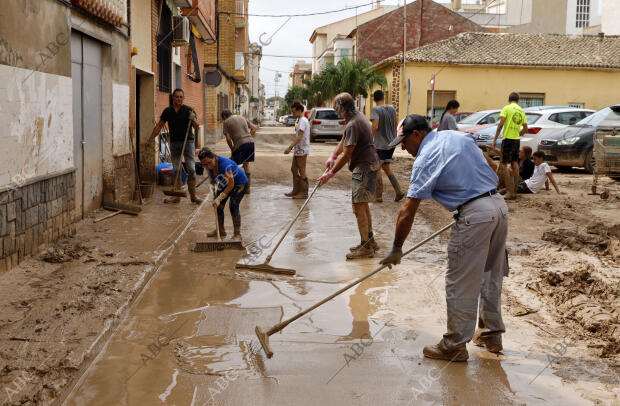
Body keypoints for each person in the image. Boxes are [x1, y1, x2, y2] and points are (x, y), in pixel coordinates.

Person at [380, 115, 508, 361]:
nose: (403, 148)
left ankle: (454, 346)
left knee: (460, 281)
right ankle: (491, 335)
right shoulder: (458, 136)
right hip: (498, 206)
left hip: (475, 214)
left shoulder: (425, 158)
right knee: (491, 275)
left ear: (417, 135)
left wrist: (397, 248)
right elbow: (491, 167)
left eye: (404, 142)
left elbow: (408, 209)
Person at [318, 93, 381, 260]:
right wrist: (332, 155)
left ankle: (366, 248)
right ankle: (370, 241)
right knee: (362, 205)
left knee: (359, 207)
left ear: (341, 107)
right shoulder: (357, 116)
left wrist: (330, 174)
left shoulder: (353, 123)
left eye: (336, 107)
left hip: (365, 167)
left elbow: (347, 155)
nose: (335, 110)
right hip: (370, 164)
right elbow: (345, 139)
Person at [148, 88, 202, 204]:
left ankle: (193, 196)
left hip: (188, 142)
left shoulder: (188, 110)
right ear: (173, 98)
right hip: (174, 143)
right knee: (176, 169)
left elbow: (196, 127)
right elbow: (159, 126)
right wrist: (150, 139)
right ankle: (176, 196)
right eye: (176, 97)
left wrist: (193, 120)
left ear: (183, 98)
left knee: (191, 169)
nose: (178, 99)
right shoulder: (168, 111)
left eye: (180, 97)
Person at [198, 147, 248, 238]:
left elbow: (231, 185)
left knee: (233, 206)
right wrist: (215, 194)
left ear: (214, 157)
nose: (208, 166)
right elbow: (212, 180)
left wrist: (220, 197)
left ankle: (237, 234)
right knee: (218, 206)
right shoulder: (207, 164)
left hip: (240, 183)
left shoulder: (224, 164)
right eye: (205, 164)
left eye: (209, 163)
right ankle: (221, 231)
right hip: (224, 183)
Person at [370, 90, 405, 202]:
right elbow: (396, 122)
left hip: (380, 144)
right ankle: (398, 191)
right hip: (392, 143)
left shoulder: (376, 109)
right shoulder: (391, 108)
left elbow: (375, 125)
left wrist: (369, 138)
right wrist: (394, 135)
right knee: (386, 167)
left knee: (377, 168)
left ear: (374, 99)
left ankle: (379, 195)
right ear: (383, 97)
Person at [493, 92, 528, 200]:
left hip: (508, 139)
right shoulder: (521, 111)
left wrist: (495, 138)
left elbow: (501, 124)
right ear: (518, 100)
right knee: (514, 164)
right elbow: (526, 128)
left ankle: (509, 191)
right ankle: (515, 192)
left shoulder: (507, 108)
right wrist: (518, 134)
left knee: (503, 165)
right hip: (516, 140)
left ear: (509, 99)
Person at [222, 110, 257, 194]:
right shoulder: (242, 117)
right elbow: (254, 128)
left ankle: (234, 187)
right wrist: (249, 137)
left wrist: (232, 149)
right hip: (251, 143)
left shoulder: (226, 122)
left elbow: (228, 138)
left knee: (233, 166)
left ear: (224, 117)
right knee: (246, 166)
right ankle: (247, 189)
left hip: (240, 144)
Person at [284, 102, 310, 199]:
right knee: (294, 169)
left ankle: (303, 193)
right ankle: (296, 190)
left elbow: (300, 136)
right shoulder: (300, 120)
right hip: (298, 149)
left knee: (302, 170)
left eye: (294, 112)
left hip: (302, 149)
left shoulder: (303, 121)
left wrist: (290, 147)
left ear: (299, 110)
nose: (293, 114)